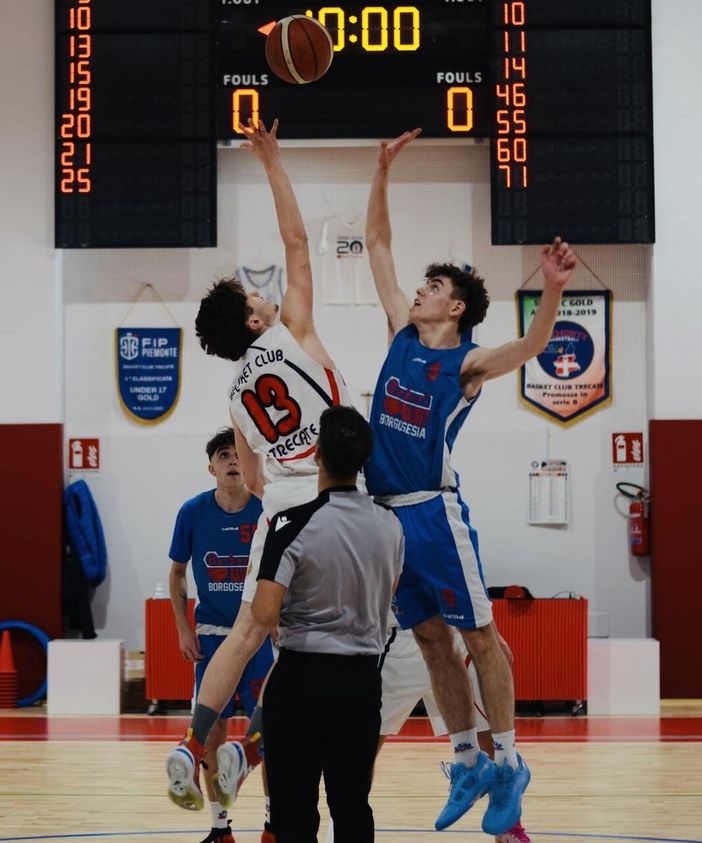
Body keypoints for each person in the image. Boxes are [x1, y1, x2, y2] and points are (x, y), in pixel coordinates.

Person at [363, 127, 577, 835]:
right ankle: (465, 758)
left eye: (434, 286)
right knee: (428, 641)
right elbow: (378, 247)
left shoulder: (468, 365)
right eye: (423, 284)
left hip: (432, 513)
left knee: (480, 638)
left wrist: (550, 288)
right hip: (385, 517)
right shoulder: (399, 331)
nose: (419, 289)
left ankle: (511, 761)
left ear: (453, 308)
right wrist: (382, 171)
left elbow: (536, 346)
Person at [165, 119, 353, 843]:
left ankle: (192, 741)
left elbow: (257, 470)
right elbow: (299, 245)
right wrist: (273, 161)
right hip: (333, 499)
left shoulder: (235, 397)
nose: (268, 295)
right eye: (257, 294)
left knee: (243, 636)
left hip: (279, 512)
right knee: (304, 652)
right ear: (253, 314)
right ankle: (250, 745)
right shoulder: (292, 331)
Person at [251, 405, 405, 843]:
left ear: (316, 454)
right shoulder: (391, 525)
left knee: (293, 812)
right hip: (361, 683)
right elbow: (389, 589)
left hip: (301, 678)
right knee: (352, 805)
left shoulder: (291, 523)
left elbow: (263, 614)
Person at [167, 428, 274, 843]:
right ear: (211, 467)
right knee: (213, 733)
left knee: (270, 734)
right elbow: (176, 573)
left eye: (237, 455)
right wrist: (182, 628)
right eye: (223, 455)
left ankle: (272, 823)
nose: (232, 461)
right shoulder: (192, 512)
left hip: (261, 635)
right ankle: (219, 828)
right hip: (213, 636)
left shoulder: (267, 509)